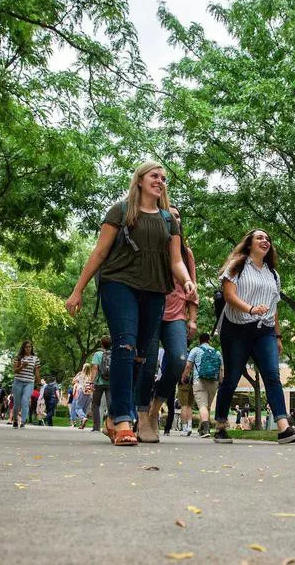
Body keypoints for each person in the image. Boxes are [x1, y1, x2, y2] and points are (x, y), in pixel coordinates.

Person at [65, 161, 196, 446]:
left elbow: (176, 260)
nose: (160, 181)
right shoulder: (121, 211)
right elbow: (100, 253)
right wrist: (78, 291)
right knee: (124, 344)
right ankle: (124, 419)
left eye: (163, 178)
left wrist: (186, 281)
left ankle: (114, 416)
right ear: (139, 180)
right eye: (154, 176)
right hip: (119, 284)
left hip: (154, 289)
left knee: (139, 355)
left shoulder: (167, 220)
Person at [213, 229, 295, 444]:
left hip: (263, 329)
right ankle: (220, 424)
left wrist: (277, 335)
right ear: (249, 244)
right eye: (260, 238)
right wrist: (250, 308)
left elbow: (274, 307)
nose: (265, 241)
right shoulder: (237, 265)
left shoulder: (273, 274)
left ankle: (284, 428)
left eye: (268, 239)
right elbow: (229, 296)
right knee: (232, 378)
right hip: (236, 329)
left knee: (272, 375)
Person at [136, 205, 199, 442]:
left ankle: (155, 409)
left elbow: (192, 288)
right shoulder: (150, 246)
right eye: (170, 214)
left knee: (178, 360)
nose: (175, 218)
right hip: (150, 312)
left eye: (178, 215)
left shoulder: (185, 252)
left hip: (175, 316)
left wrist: (192, 320)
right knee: (148, 365)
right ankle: (142, 418)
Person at [182, 333, 223, 438]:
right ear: (209, 340)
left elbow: (188, 366)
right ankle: (201, 428)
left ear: (199, 340)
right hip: (213, 382)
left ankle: (205, 429)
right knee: (207, 406)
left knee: (202, 406)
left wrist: (184, 377)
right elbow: (221, 369)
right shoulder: (217, 352)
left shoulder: (195, 350)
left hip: (199, 381)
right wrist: (220, 381)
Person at [12, 340, 41, 429]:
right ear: (23, 348)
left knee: (25, 401)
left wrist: (39, 382)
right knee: (17, 404)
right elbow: (15, 371)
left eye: (29, 347)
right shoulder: (19, 357)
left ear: (31, 348)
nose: (28, 349)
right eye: (26, 347)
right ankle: (15, 420)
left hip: (29, 382)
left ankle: (23, 421)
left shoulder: (35, 358)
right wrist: (22, 366)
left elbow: (36, 371)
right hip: (18, 382)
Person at [91, 336, 112, 433]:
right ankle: (111, 425)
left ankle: (96, 427)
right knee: (110, 404)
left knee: (95, 404)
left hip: (99, 382)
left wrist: (92, 381)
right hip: (111, 383)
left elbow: (95, 368)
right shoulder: (114, 354)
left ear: (101, 344)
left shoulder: (97, 354)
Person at [73, 363, 95, 429]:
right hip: (89, 393)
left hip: (81, 391)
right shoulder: (91, 376)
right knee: (84, 409)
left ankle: (83, 417)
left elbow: (74, 381)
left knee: (78, 408)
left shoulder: (80, 374)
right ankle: (81, 424)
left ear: (84, 368)